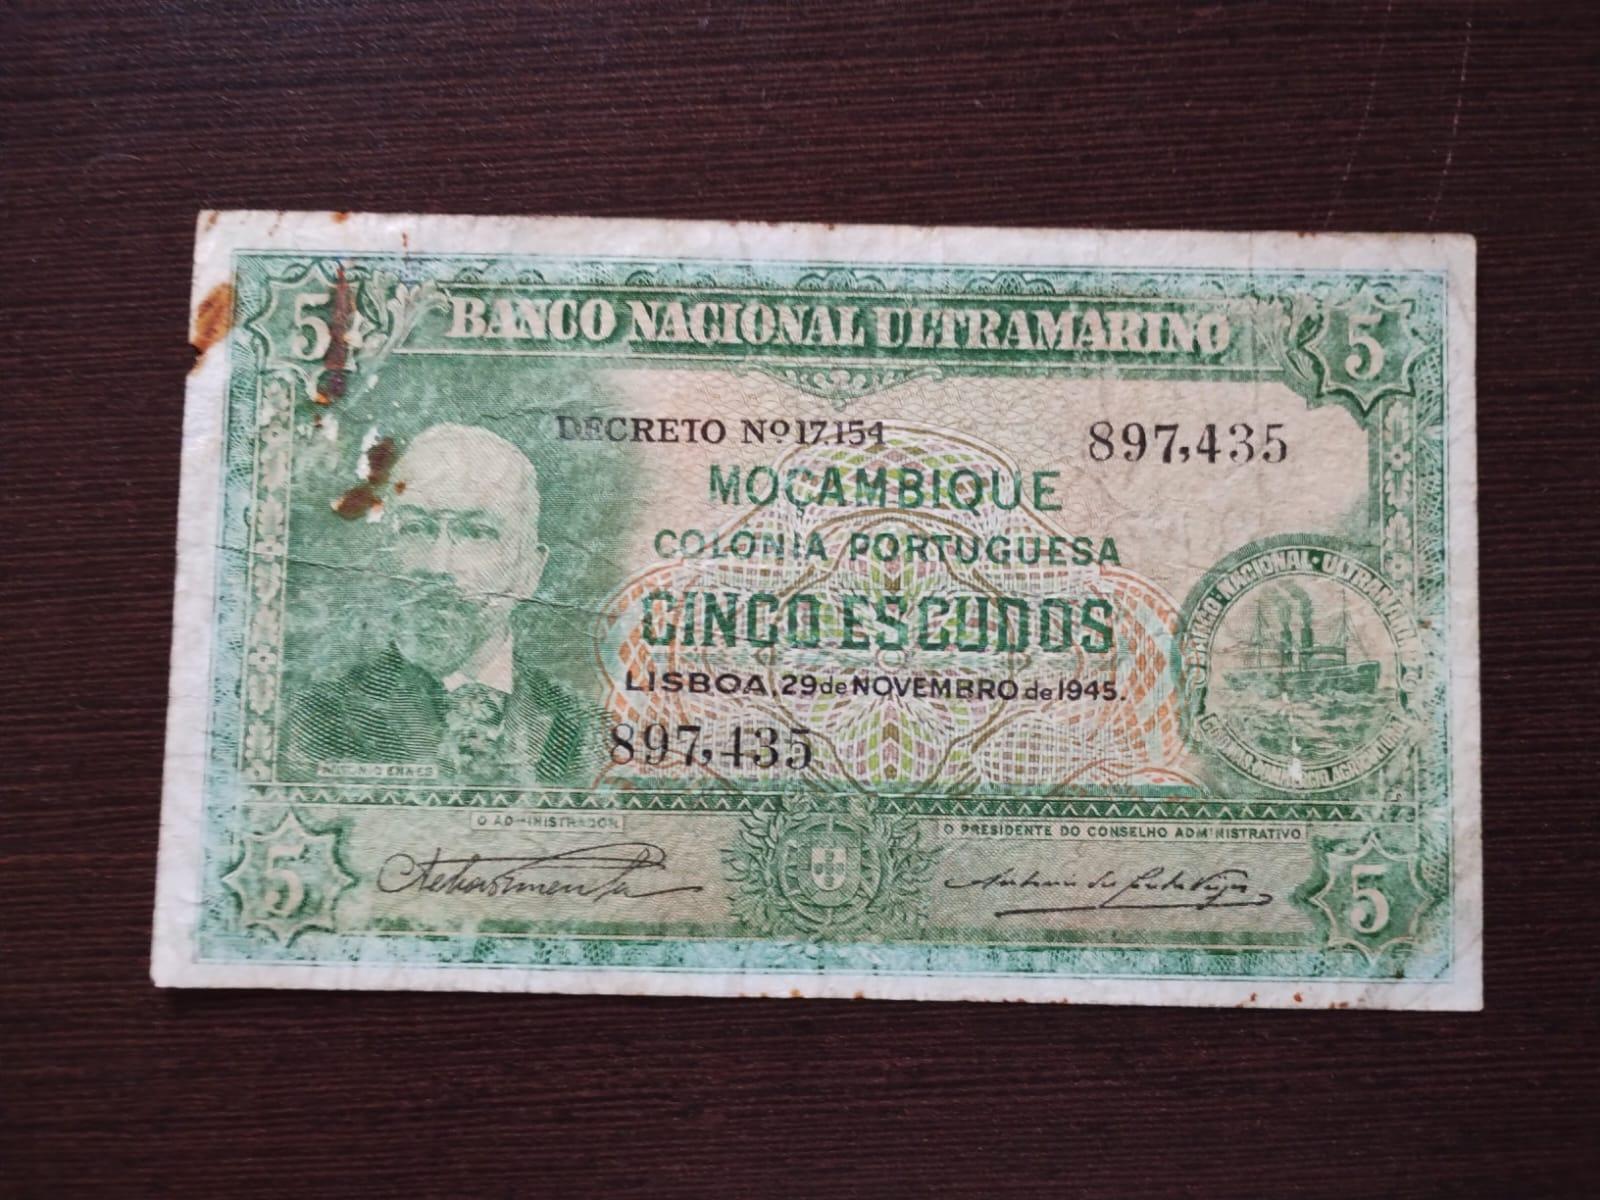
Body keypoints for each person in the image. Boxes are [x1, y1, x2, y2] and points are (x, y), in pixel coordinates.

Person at [287, 423, 596, 784]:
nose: (438, 566)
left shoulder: (589, 729)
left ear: (530, 571)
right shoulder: (320, 718)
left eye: (477, 532)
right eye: (416, 528)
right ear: (385, 555)